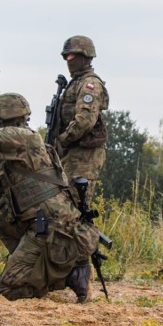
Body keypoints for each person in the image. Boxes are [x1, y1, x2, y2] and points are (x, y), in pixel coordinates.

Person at [0, 93, 99, 302]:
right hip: (39, 226)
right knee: (3, 222)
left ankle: (69, 271)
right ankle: (53, 271)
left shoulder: (25, 138)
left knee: (8, 292)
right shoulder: (9, 161)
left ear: (7, 120)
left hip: (54, 228)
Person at [51, 35, 109, 206]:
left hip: (84, 155)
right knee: (64, 206)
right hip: (71, 153)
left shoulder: (89, 84)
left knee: (75, 208)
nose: (68, 60)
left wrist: (61, 141)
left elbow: (84, 120)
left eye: (72, 56)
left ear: (84, 57)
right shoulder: (74, 83)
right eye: (66, 56)